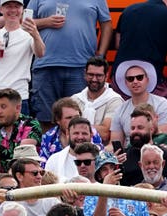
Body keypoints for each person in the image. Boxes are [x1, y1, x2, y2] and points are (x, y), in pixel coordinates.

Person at [28, 0, 112, 128]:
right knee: (45, 119)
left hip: (81, 67)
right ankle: (48, 148)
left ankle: (77, 149)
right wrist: (46, 22)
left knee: (78, 120)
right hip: (46, 65)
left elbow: (106, 24)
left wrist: (101, 54)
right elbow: (24, 23)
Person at [0, 0, 44, 127]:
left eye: (16, 6)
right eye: (8, 7)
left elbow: (41, 53)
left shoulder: (28, 36)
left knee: (18, 143)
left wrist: (35, 34)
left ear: (22, 10)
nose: (13, 10)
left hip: (18, 97)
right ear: (1, 9)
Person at [113, 0, 167, 99]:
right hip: (152, 78)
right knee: (161, 110)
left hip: (121, 77)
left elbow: (117, 44)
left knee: (119, 111)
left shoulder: (128, 11)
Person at [0, 88, 42, 182]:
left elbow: (22, 158)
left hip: (25, 175)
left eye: (3, 107)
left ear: (18, 108)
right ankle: (6, 183)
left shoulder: (30, 124)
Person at [110, 60, 167, 145]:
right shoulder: (119, 110)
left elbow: (163, 138)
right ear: (126, 83)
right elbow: (115, 143)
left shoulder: (162, 104)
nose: (135, 81)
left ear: (147, 80)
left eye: (139, 77)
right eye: (130, 79)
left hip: (157, 151)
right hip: (129, 154)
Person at [72, 56, 123, 144]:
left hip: (103, 151)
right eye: (91, 75)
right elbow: (65, 128)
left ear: (106, 76)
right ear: (85, 74)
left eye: (99, 75)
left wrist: (76, 128)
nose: (94, 79)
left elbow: (105, 133)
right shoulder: (75, 99)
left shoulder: (115, 101)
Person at [40, 98, 103, 163]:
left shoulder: (91, 133)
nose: (74, 121)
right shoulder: (48, 137)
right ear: (58, 120)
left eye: (77, 117)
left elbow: (100, 159)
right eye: (69, 118)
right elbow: (43, 164)